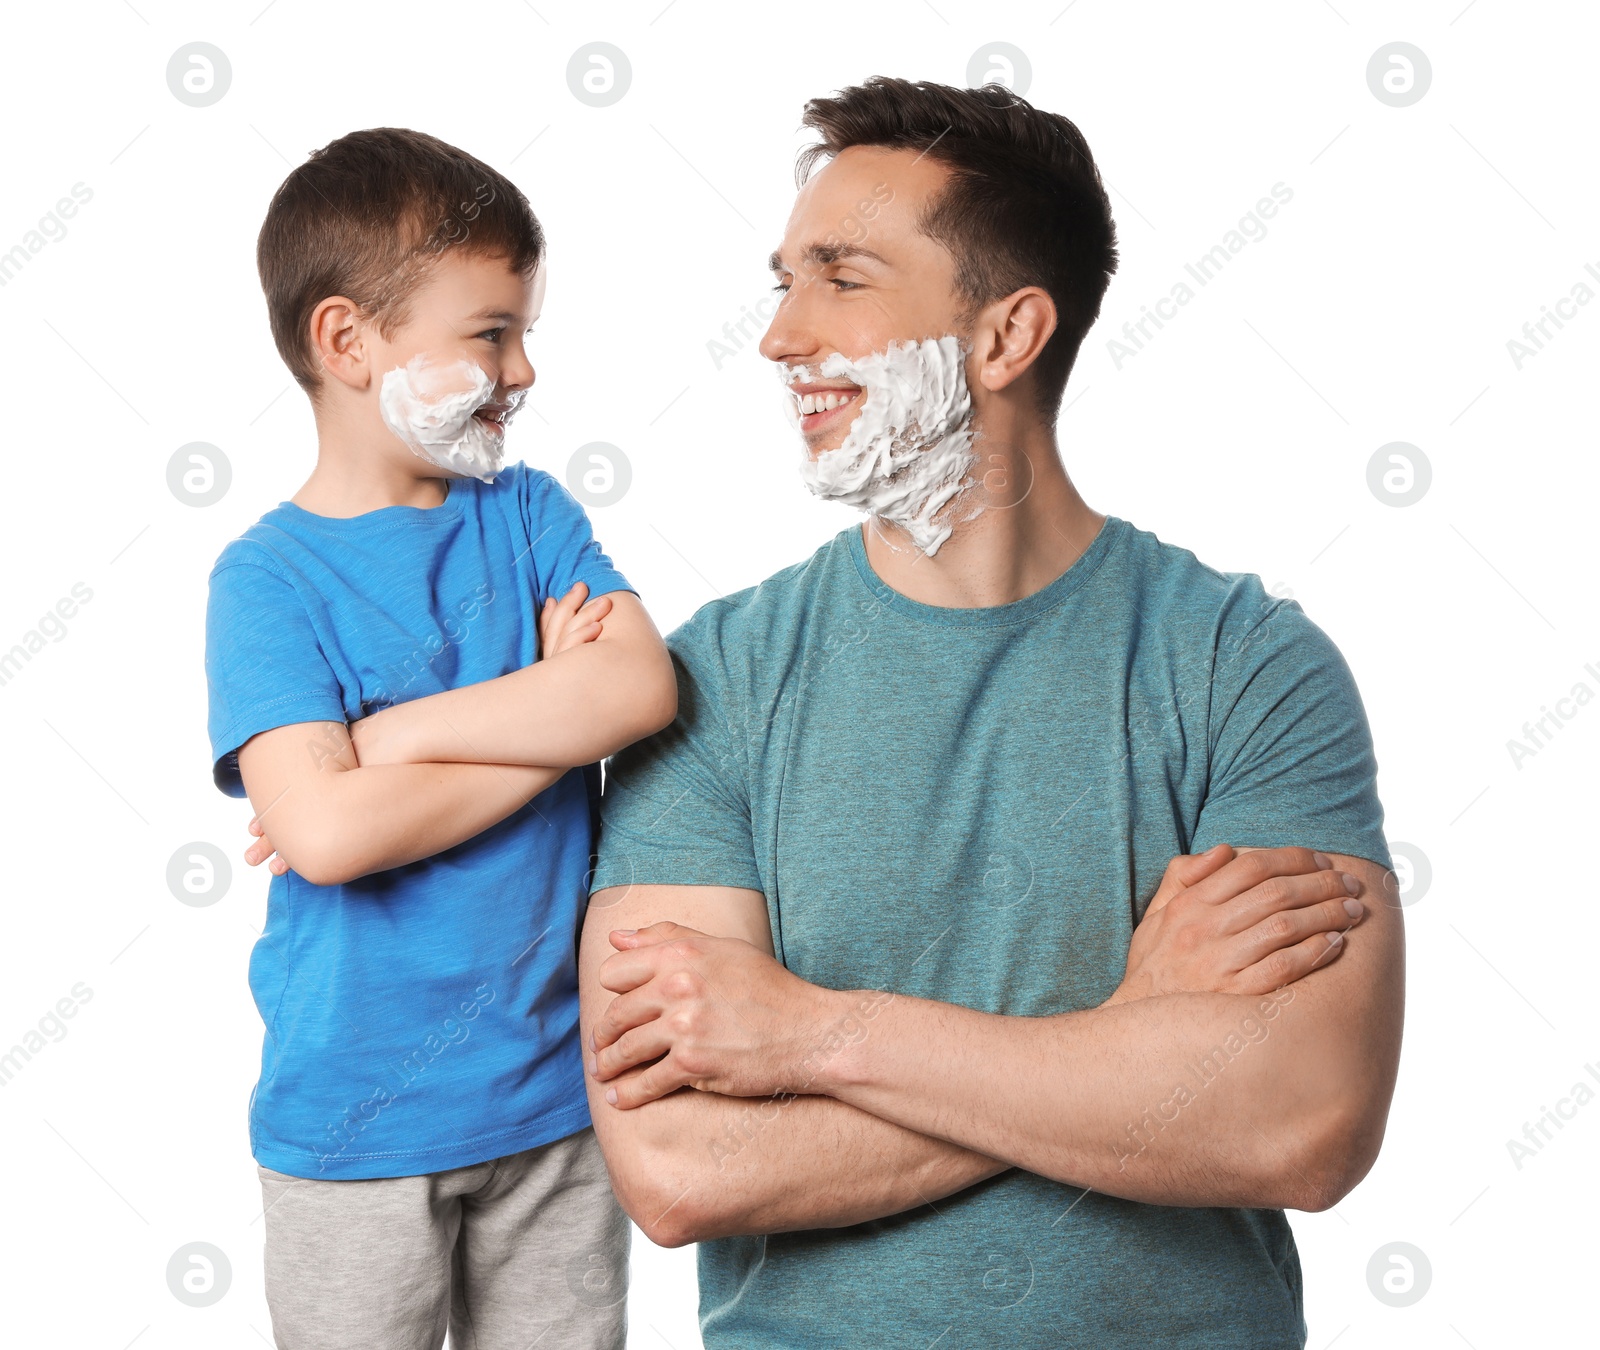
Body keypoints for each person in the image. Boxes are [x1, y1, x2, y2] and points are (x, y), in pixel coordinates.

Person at [579, 79, 1404, 1348]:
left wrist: (807, 1036)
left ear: (1006, 336)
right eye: (784, 279)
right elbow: (685, 1170)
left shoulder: (1247, 666)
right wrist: (1130, 1037)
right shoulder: (704, 688)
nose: (780, 339)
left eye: (840, 279)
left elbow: (1301, 1124)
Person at [202, 127, 676, 1350]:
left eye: (523, 332)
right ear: (347, 342)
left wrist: (383, 736)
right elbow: (328, 834)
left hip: (555, 1106)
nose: (524, 369)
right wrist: (551, 721)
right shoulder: (266, 580)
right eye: (490, 333)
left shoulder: (528, 513)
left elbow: (638, 690)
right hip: (354, 1127)